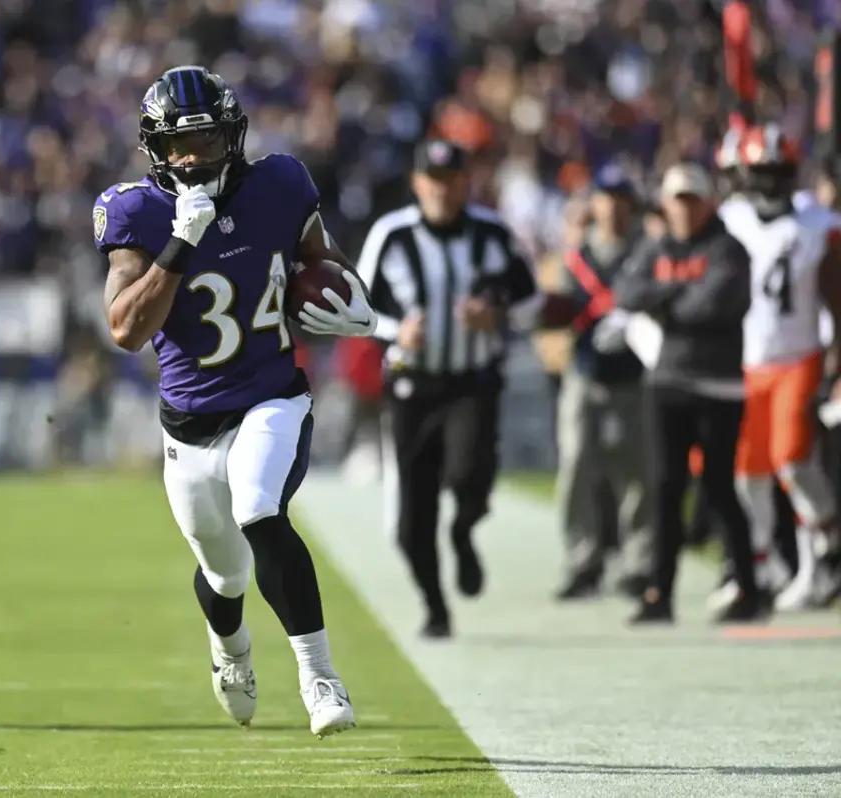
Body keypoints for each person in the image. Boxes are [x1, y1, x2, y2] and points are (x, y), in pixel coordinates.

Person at [94, 66, 376, 737]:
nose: (193, 159)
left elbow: (324, 261)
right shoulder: (137, 212)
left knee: (259, 508)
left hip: (271, 396)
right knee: (224, 576)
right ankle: (231, 651)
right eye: (178, 146)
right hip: (188, 424)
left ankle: (319, 676)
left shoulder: (279, 184)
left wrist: (352, 299)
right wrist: (180, 243)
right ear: (155, 150)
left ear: (234, 137)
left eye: (207, 140)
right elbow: (125, 330)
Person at [357, 137, 539, 638]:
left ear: (466, 182)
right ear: (417, 183)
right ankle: (435, 607)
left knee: (470, 476)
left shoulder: (492, 232)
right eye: (433, 180)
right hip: (412, 387)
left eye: (451, 179)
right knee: (411, 519)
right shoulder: (391, 234)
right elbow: (358, 309)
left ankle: (462, 530)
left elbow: (530, 302)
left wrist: (495, 313)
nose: (442, 189)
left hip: (471, 383)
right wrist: (398, 331)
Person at [613, 162, 763, 624]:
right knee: (665, 486)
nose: (685, 210)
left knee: (718, 486)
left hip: (718, 386)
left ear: (708, 203)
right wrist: (674, 293)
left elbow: (711, 306)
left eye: (692, 200)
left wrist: (661, 299)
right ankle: (659, 592)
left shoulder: (728, 249)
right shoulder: (656, 246)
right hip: (667, 381)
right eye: (678, 201)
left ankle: (747, 585)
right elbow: (626, 291)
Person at [720, 125, 841, 610]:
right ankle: (764, 563)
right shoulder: (730, 220)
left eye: (777, 171)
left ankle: (826, 549)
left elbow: (835, 295)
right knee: (748, 472)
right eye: (762, 171)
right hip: (748, 361)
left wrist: (835, 361)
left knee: (792, 459)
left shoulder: (817, 223)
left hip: (799, 356)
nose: (769, 181)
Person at [544, 164, 651, 601]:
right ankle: (582, 561)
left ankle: (639, 563)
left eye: (621, 200)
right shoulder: (577, 257)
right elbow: (556, 311)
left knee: (637, 471)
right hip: (585, 371)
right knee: (576, 467)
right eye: (607, 199)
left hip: (635, 375)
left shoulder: (646, 252)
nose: (613, 209)